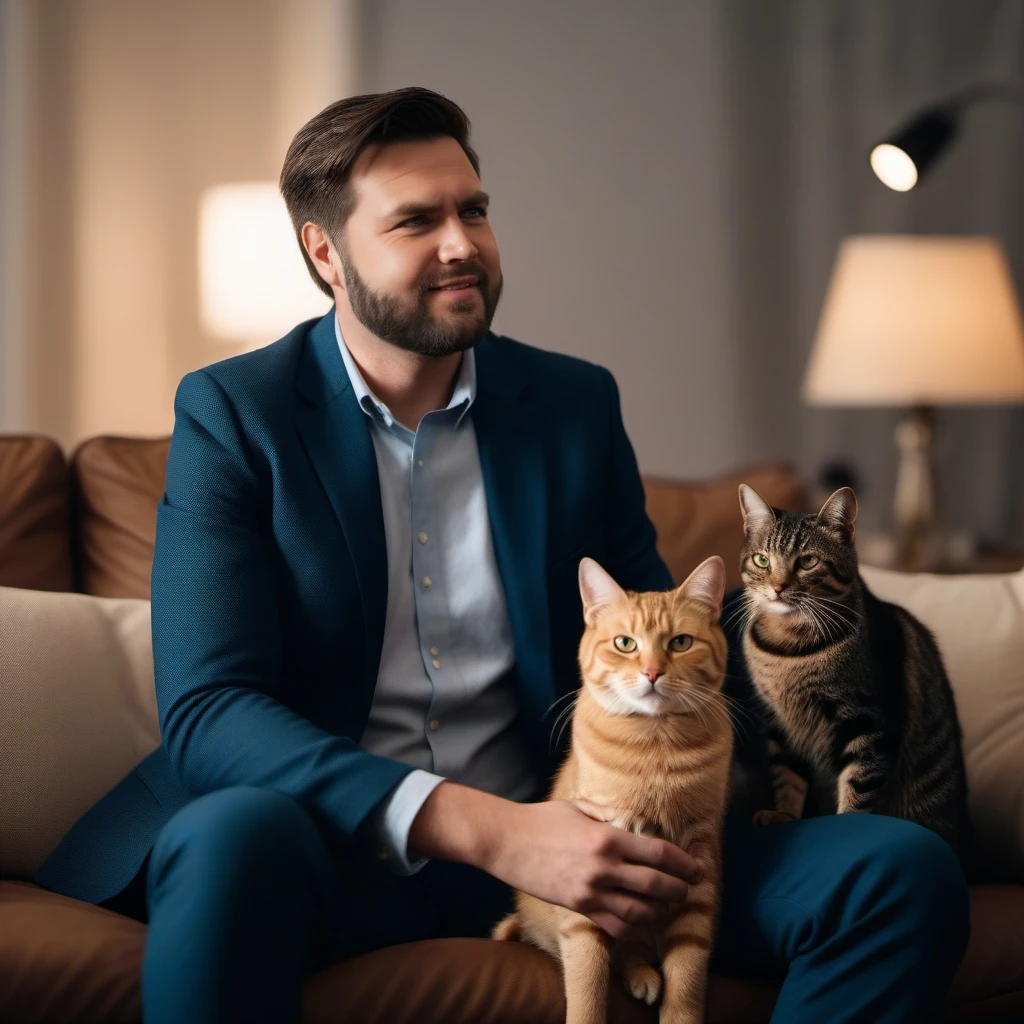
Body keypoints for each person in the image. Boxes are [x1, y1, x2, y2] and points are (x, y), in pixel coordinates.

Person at [34, 87, 969, 1024]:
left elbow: (664, 639)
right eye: (416, 221)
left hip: (577, 837)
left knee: (895, 870)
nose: (461, 244)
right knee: (231, 836)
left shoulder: (573, 408)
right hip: (325, 843)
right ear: (326, 253)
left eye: (472, 210)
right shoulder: (235, 413)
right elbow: (209, 711)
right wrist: (494, 832)